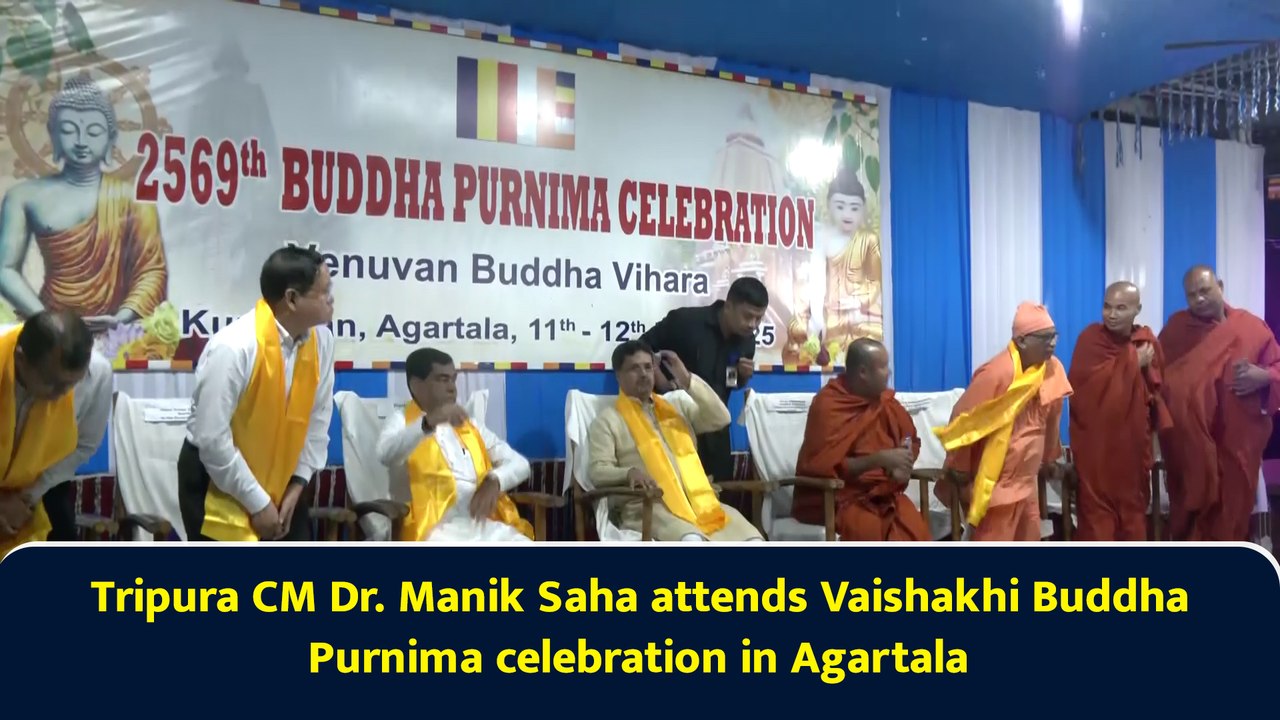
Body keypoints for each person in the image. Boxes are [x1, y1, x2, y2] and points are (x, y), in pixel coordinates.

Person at [177, 246, 334, 541]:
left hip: (284, 479)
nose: (332, 299)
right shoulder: (234, 347)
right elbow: (212, 441)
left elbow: (318, 419)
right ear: (292, 299)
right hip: (218, 481)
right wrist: (258, 504)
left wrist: (298, 483)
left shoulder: (322, 341)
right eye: (324, 291)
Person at [0, 73, 168, 333]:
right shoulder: (23, 196)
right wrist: (48, 321)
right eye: (68, 130)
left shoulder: (132, 200)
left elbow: (152, 271)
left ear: (112, 137)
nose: (80, 141)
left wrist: (120, 319)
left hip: (112, 328)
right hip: (49, 327)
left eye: (93, 131)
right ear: (53, 135)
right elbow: (5, 269)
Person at [587, 340, 762, 542]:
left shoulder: (676, 407)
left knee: (753, 541)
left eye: (648, 367)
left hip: (700, 503)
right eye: (634, 368)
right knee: (692, 541)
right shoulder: (608, 420)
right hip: (651, 508)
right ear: (618, 376)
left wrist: (687, 380)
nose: (644, 374)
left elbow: (721, 418)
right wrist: (628, 473)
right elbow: (597, 470)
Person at [1158, 265, 1280, 541]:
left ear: (1220, 286)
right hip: (1189, 449)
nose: (1199, 299)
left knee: (1231, 520)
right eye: (1191, 295)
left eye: (1204, 290)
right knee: (1190, 519)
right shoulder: (1177, 329)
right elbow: (1157, 376)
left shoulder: (1250, 327)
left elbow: (1277, 367)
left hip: (1236, 446)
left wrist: (1263, 376)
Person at [934, 302, 1073, 541]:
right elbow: (965, 421)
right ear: (1021, 341)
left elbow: (1052, 418)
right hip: (996, 482)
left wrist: (1051, 458)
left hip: (1026, 480)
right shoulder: (998, 373)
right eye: (1044, 337)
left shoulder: (1052, 369)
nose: (1051, 343)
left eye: (1054, 337)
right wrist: (959, 466)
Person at [376, 348, 533, 542]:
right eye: (443, 379)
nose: (452, 388)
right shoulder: (402, 421)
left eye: (453, 379)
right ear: (417, 386)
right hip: (435, 529)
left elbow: (521, 464)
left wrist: (494, 480)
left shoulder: (470, 424)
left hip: (481, 523)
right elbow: (385, 454)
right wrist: (428, 423)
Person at [793, 338, 929, 541]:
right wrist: (879, 459)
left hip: (885, 493)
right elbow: (821, 467)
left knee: (915, 529)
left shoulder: (885, 402)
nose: (889, 373)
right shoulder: (829, 405)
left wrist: (904, 461)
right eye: (883, 367)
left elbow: (909, 436)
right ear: (863, 372)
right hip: (844, 497)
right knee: (868, 531)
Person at [0, 311, 112, 554]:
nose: (62, 393)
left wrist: (25, 496)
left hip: (41, 484)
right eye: (52, 382)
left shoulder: (97, 374)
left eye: (72, 384)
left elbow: (85, 444)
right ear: (21, 360)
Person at [1068, 282, 1170, 541]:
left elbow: (1157, 398)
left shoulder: (1146, 343)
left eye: (1121, 308)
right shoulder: (1090, 340)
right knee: (1096, 525)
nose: (1111, 314)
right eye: (1107, 306)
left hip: (1131, 454)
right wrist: (1133, 362)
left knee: (1133, 522)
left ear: (1137, 310)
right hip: (1097, 454)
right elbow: (1082, 394)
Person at [639, 276, 767, 483]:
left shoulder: (747, 342)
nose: (752, 324)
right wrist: (661, 381)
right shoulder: (686, 322)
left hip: (717, 432)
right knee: (679, 502)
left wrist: (741, 379)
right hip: (676, 428)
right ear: (729, 306)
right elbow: (642, 349)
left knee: (718, 503)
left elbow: (729, 382)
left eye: (759, 319)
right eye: (748, 316)